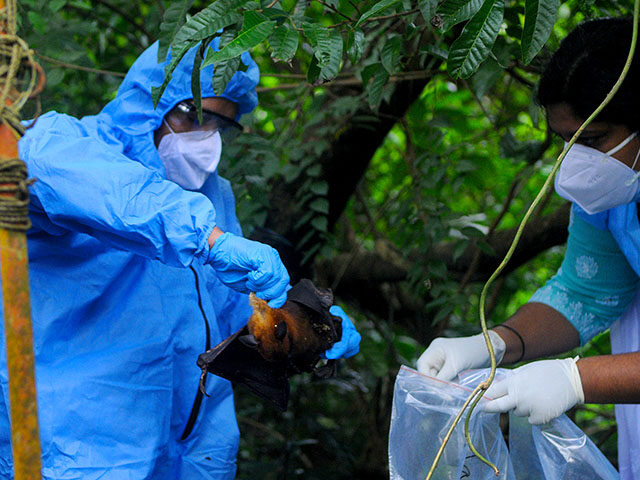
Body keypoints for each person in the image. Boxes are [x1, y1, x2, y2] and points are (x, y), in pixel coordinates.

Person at [0, 40, 361, 479]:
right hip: (84, 451)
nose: (205, 137)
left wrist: (307, 326)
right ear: (150, 101)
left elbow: (231, 311)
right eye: (193, 114)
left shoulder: (213, 196)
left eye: (220, 125)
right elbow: (100, 186)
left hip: (193, 451)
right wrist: (206, 237)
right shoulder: (70, 148)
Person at [417, 17, 640, 479]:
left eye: (593, 140)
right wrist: (494, 344)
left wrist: (574, 379)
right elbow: (586, 292)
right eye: (566, 142)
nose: (577, 160)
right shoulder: (615, 197)